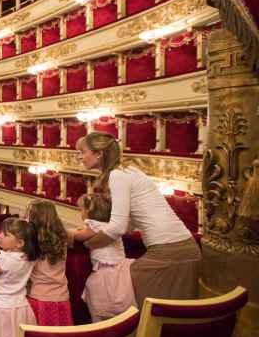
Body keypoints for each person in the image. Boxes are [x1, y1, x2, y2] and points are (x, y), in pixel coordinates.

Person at [76, 132, 200, 305]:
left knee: (121, 293)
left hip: (170, 251)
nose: (80, 157)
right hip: (183, 246)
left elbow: (118, 228)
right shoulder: (128, 171)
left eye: (83, 152)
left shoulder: (117, 175)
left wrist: (88, 243)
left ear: (99, 153)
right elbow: (127, 226)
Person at [71, 194, 136, 322]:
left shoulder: (94, 225)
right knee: (120, 298)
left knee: (102, 302)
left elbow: (79, 236)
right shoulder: (110, 225)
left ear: (89, 212)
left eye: (81, 209)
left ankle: (101, 328)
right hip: (122, 268)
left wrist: (70, 232)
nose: (80, 212)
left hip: (107, 271)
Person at [25, 200, 73, 326]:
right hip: (61, 297)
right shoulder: (62, 238)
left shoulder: (31, 241)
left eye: (28, 215)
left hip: (39, 298)